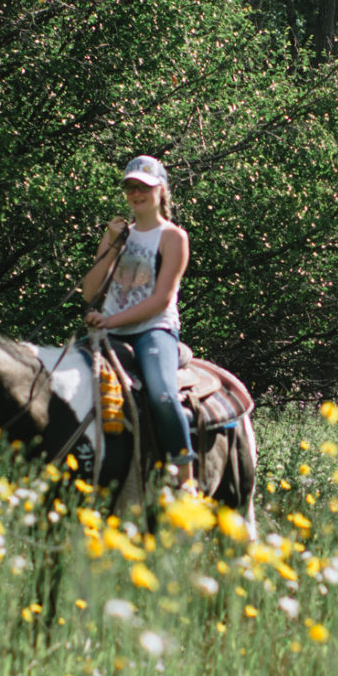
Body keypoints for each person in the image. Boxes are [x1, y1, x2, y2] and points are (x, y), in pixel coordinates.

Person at [80, 155, 197, 490]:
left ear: (160, 190)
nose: (136, 194)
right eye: (130, 187)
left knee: (161, 394)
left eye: (143, 187)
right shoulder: (120, 234)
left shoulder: (172, 237)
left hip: (154, 329)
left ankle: (185, 474)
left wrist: (109, 319)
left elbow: (161, 299)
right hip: (110, 328)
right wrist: (109, 242)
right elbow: (90, 292)